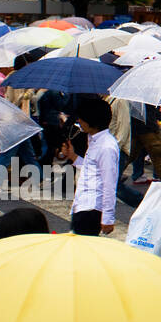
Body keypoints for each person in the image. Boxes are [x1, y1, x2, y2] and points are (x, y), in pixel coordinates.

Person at [63, 97, 120, 236]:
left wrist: (107, 218)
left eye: (81, 118)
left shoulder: (106, 147)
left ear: (92, 121)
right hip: (82, 205)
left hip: (91, 209)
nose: (79, 121)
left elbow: (109, 184)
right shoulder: (94, 140)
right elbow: (91, 169)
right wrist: (73, 156)